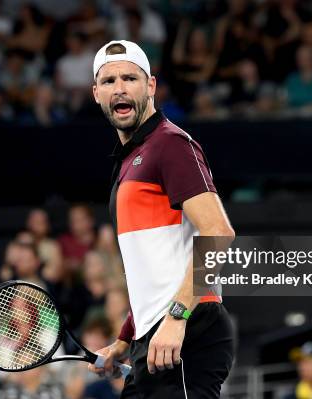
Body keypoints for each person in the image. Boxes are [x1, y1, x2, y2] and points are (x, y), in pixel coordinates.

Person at [88, 39, 235, 398]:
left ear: (150, 86)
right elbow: (152, 273)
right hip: (151, 338)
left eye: (130, 78)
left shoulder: (170, 144)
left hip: (186, 329)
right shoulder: (129, 160)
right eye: (109, 81)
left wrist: (177, 317)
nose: (119, 88)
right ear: (96, 94)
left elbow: (218, 232)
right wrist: (124, 340)